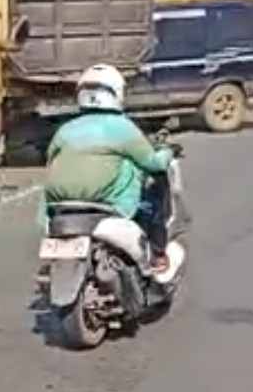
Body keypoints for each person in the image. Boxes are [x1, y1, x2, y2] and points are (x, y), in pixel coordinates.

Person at [42, 64, 175, 271]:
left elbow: (50, 161)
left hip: (58, 208)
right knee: (154, 191)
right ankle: (157, 253)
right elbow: (154, 163)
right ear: (117, 93)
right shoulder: (122, 128)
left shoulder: (65, 130)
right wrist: (167, 152)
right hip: (109, 208)